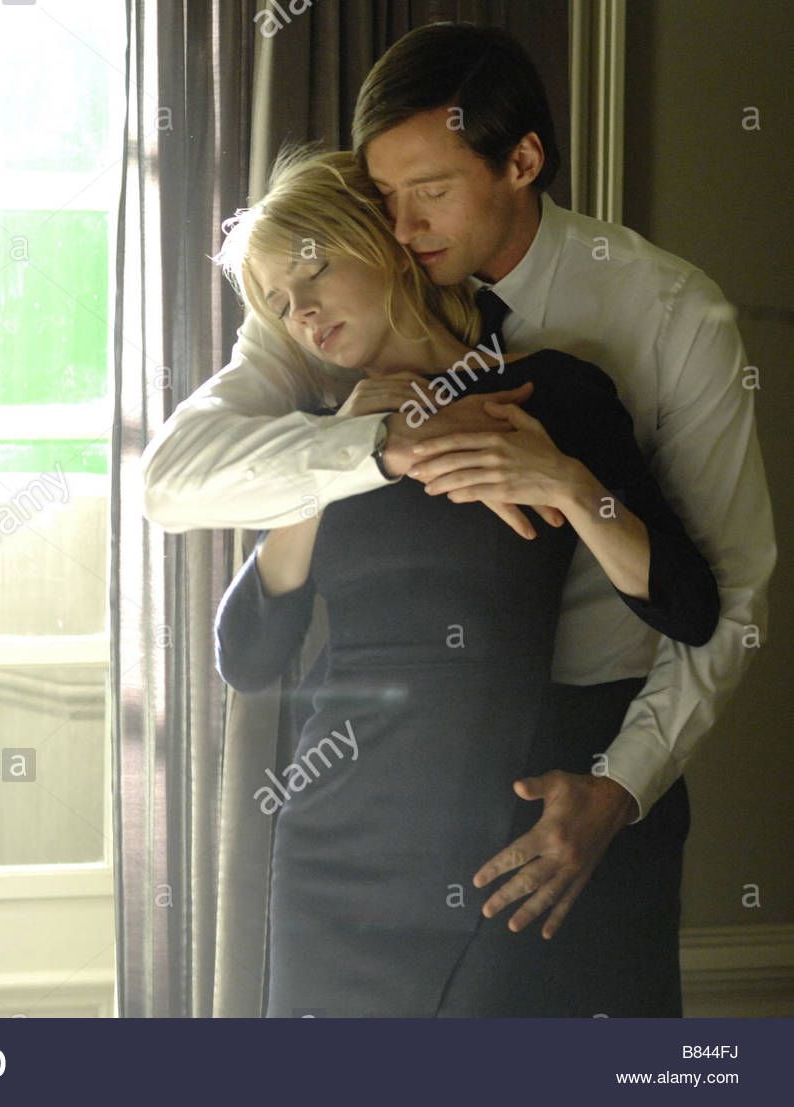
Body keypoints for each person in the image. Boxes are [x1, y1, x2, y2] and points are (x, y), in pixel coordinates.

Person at [142, 22, 775, 1017]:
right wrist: (365, 446)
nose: (401, 226)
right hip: (352, 819)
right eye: (381, 198)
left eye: (427, 192)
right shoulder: (319, 353)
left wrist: (619, 786)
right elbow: (185, 511)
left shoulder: (648, 327)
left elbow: (720, 598)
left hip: (583, 764)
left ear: (521, 162)